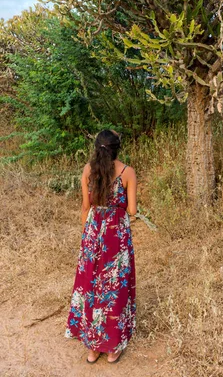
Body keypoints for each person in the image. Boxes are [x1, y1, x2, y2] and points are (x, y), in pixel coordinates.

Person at [64, 129, 138, 364]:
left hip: (93, 233)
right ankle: (112, 348)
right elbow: (133, 211)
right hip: (116, 236)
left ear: (97, 148)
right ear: (118, 148)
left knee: (91, 285)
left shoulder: (88, 170)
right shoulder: (128, 172)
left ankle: (93, 348)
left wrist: (89, 235)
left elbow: (86, 207)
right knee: (115, 287)